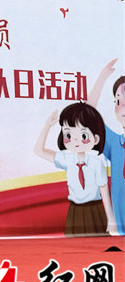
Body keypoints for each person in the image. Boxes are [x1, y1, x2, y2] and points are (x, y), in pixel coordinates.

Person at [33, 102, 116, 237]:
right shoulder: (66, 159)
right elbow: (38, 150)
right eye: (68, 135)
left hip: (94, 210)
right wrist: (47, 125)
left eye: (83, 135)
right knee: (73, 246)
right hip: (74, 211)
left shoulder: (96, 163)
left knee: (98, 244)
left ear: (95, 139)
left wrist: (111, 219)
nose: (75, 140)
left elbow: (104, 190)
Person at [89, 58, 125, 236]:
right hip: (120, 229)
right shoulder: (114, 143)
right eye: (118, 101)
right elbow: (89, 114)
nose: (123, 105)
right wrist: (102, 77)